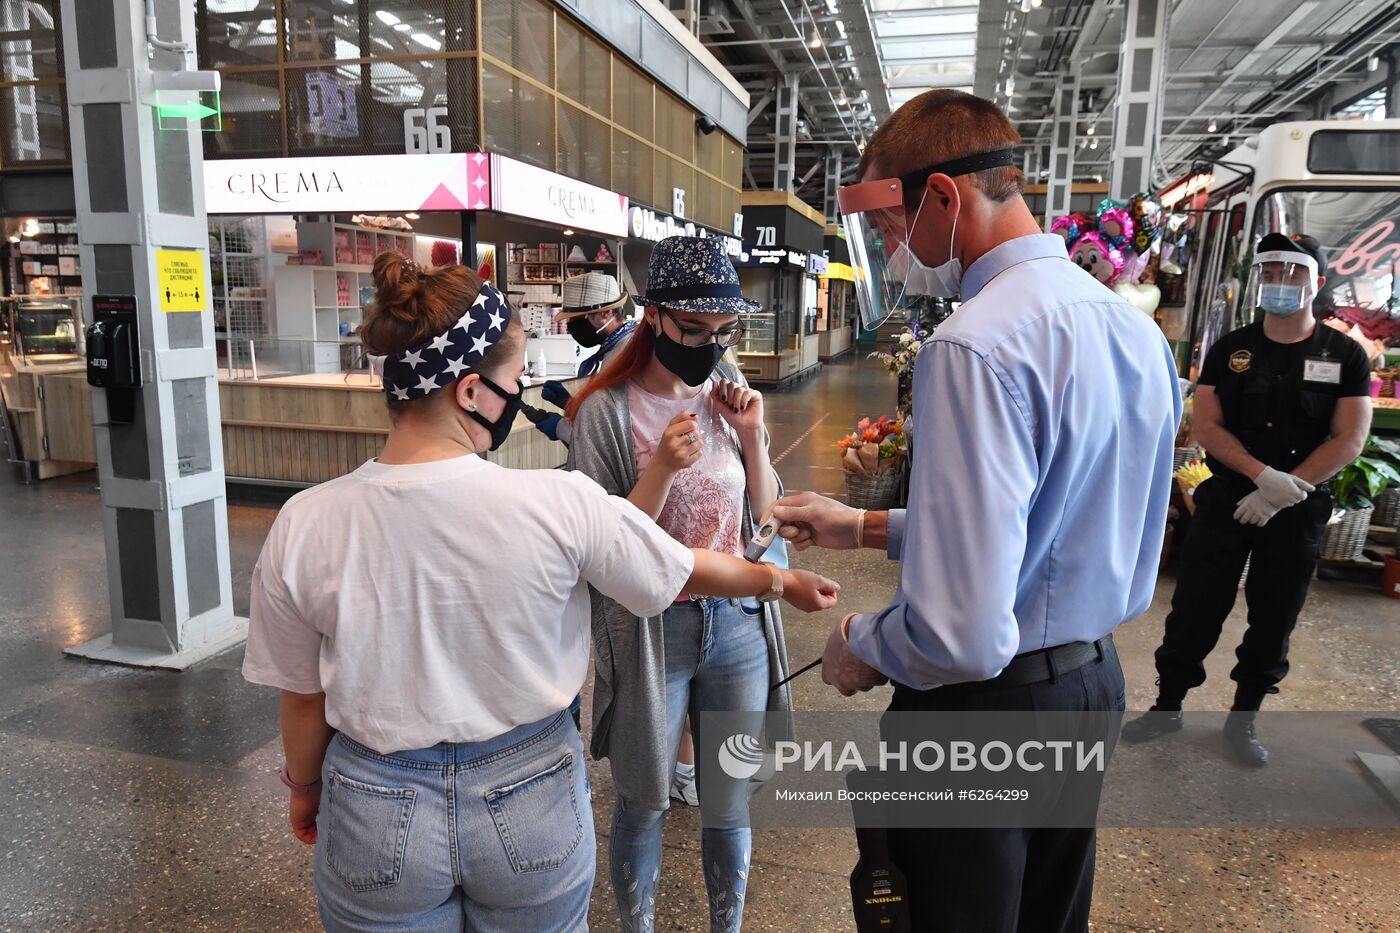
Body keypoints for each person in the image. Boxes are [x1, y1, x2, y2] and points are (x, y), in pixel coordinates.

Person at [241, 253, 839, 932]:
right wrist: (778, 579)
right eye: (515, 376)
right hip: (529, 795)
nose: (525, 388)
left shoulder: (306, 520)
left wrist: (305, 787)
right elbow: (669, 564)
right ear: (470, 392)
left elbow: (303, 695)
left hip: (376, 802)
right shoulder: (555, 502)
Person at [769, 90, 1182, 931]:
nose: (889, 254)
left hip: (983, 713)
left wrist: (865, 644)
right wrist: (864, 525)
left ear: (946, 199)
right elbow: (1050, 529)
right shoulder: (1132, 330)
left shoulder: (973, 344)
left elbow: (960, 634)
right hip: (1089, 684)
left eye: (888, 229)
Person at [566, 235, 788, 933]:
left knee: (728, 799)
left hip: (738, 628)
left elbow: (765, 517)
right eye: (693, 329)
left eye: (723, 331)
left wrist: (751, 437)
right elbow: (602, 545)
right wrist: (659, 466)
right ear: (653, 315)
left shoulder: (728, 393)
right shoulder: (605, 411)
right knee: (643, 796)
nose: (709, 345)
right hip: (653, 630)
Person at [1122, 232, 1372, 764]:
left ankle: (1244, 720)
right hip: (1227, 500)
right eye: (1273, 271)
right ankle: (1167, 706)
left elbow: (1350, 438)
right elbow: (1207, 425)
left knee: (1274, 613)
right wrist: (1260, 475)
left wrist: (1283, 491)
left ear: (1317, 282)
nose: (1282, 282)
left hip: (1295, 508)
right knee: (1195, 606)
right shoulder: (1231, 348)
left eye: (1295, 272)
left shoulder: (1344, 355)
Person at [535, 271, 637, 444]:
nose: (572, 327)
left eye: (577, 319)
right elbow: (604, 411)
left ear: (606, 313)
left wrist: (562, 428)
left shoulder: (624, 355)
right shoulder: (617, 347)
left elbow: (609, 433)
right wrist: (571, 404)